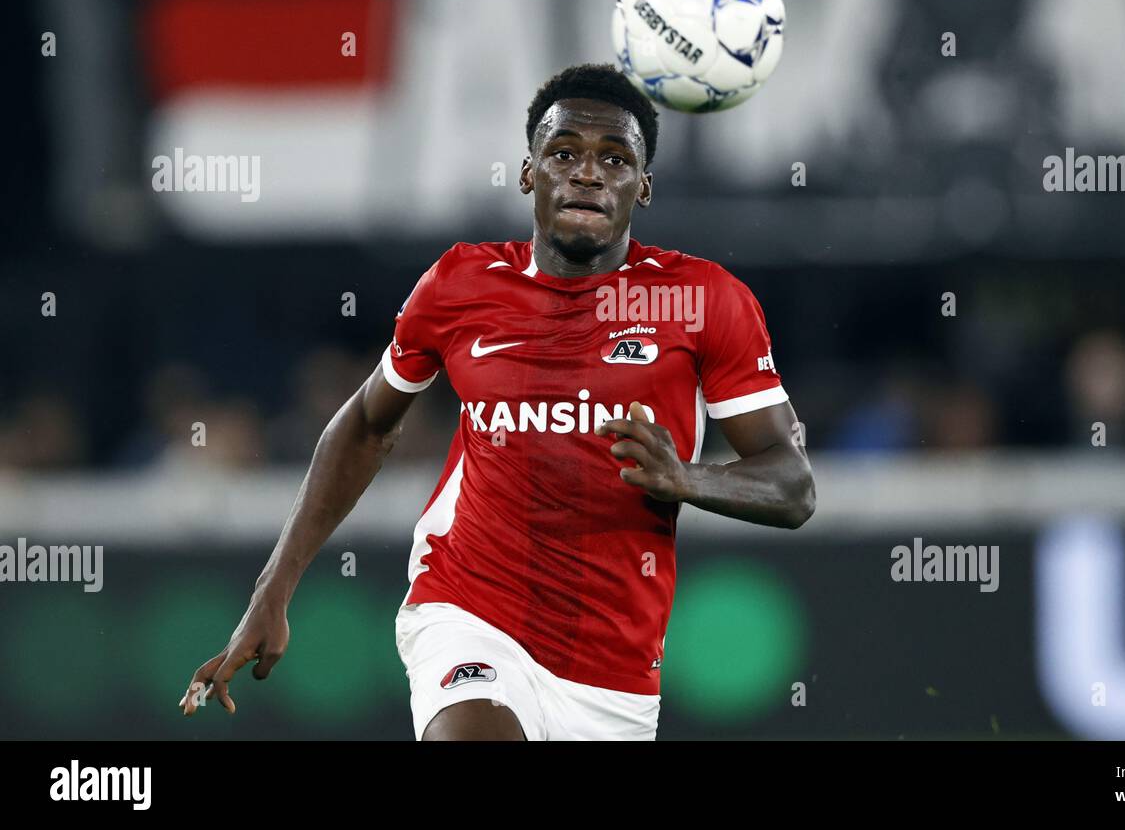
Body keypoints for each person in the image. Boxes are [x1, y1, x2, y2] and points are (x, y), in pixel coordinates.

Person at [180, 63, 815, 740]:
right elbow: (366, 425)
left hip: (613, 674)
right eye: (564, 153)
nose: (588, 173)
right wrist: (272, 589)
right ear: (528, 173)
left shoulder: (700, 301)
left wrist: (684, 478)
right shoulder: (460, 284)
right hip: (469, 611)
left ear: (644, 186)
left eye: (615, 158)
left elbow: (792, 486)